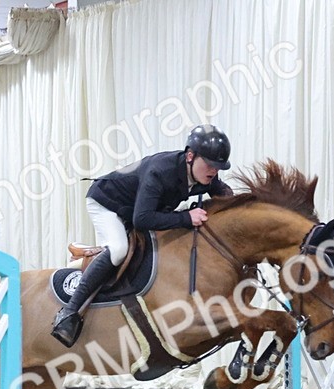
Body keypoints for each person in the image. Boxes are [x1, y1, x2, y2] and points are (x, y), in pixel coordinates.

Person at [51, 124, 235, 347]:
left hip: (135, 208)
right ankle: (69, 312)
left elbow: (224, 193)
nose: (214, 171)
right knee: (119, 250)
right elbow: (142, 219)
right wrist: (186, 218)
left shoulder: (204, 174)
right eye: (209, 164)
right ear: (190, 156)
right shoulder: (160, 171)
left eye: (218, 167)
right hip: (107, 203)